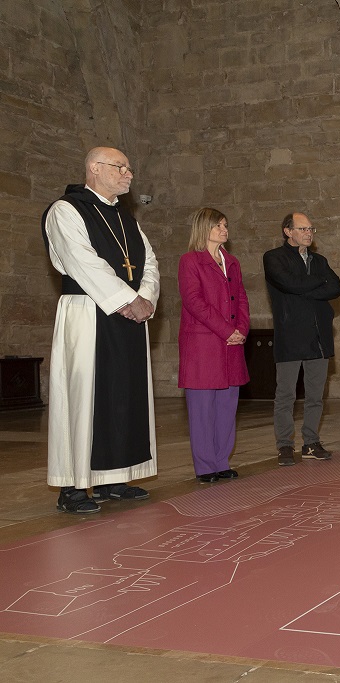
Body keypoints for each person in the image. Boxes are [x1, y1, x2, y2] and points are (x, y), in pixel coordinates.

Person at [42, 146, 160, 514]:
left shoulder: (126, 218)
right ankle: (74, 487)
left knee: (123, 395)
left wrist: (146, 299)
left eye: (129, 168)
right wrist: (127, 300)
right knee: (83, 398)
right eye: (120, 167)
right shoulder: (66, 210)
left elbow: (150, 261)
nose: (128, 174)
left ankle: (113, 477)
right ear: (94, 168)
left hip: (129, 316)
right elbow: (82, 262)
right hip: (87, 314)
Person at [264, 212, 340, 466]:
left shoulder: (320, 260)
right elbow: (289, 283)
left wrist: (306, 285)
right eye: (303, 229)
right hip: (290, 335)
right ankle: (285, 445)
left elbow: (336, 287)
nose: (309, 233)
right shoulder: (274, 258)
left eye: (311, 229)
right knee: (286, 395)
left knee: (315, 396)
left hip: (319, 337)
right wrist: (318, 284)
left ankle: (311, 442)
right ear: (288, 231)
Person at [178, 208, 250, 483]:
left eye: (225, 225)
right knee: (202, 409)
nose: (224, 229)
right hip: (204, 345)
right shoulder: (190, 261)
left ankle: (222, 460)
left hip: (231, 344)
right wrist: (225, 330)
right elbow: (194, 302)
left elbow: (241, 297)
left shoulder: (231, 262)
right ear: (203, 228)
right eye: (218, 225)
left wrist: (241, 329)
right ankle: (206, 466)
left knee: (226, 407)